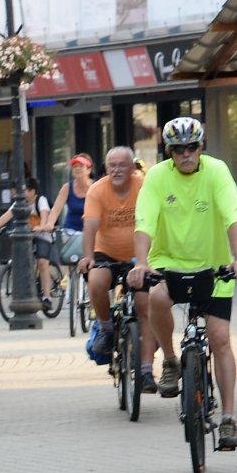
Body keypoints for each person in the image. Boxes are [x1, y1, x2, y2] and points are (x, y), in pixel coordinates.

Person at [127, 117, 237, 449]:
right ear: (169, 152)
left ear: (201, 148)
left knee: (220, 339)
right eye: (178, 149)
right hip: (170, 262)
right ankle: (169, 360)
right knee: (155, 298)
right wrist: (141, 263)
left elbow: (233, 214)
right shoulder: (156, 176)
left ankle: (228, 419)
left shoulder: (216, 171)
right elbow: (144, 222)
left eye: (192, 147)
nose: (186, 154)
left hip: (214, 267)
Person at [78, 147, 146, 371]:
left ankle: (145, 345)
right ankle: (106, 327)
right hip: (105, 251)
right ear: (106, 168)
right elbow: (90, 225)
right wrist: (88, 257)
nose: (116, 170)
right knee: (96, 282)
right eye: (112, 165)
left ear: (132, 168)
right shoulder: (97, 190)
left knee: (146, 299)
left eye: (122, 165)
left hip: (140, 254)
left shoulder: (143, 186)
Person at [0, 176, 56, 304]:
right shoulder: (19, 203)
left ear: (33, 191)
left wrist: (41, 227)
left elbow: (44, 216)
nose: (22, 193)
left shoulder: (41, 201)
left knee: (42, 262)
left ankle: (47, 296)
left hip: (42, 236)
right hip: (25, 237)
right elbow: (7, 215)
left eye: (25, 190)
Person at [43, 152, 92, 259]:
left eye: (81, 166)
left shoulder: (96, 187)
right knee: (68, 258)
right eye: (75, 166)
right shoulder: (67, 188)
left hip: (91, 230)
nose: (77, 169)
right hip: (71, 231)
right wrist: (50, 224)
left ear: (89, 170)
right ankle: (69, 275)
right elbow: (56, 209)